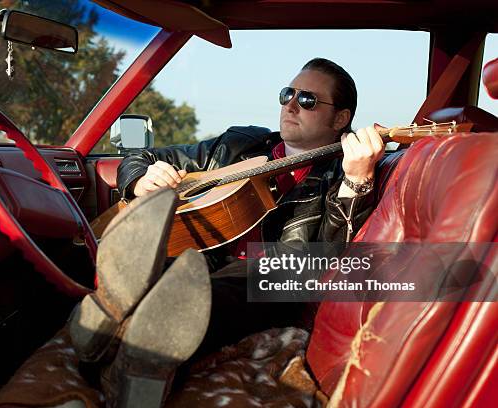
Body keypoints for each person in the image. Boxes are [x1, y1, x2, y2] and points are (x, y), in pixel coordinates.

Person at [115, 57, 386, 351]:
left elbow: (327, 261)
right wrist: (140, 180)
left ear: (340, 119)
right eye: (288, 94)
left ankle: (130, 327)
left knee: (200, 292)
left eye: (308, 100)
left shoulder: (341, 175)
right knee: (145, 266)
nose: (290, 106)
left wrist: (357, 181)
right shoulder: (237, 145)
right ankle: (123, 321)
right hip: (202, 261)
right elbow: (141, 158)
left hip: (264, 286)